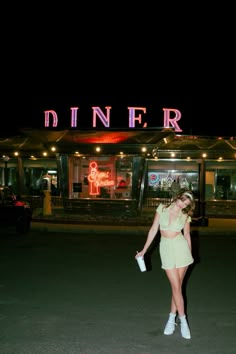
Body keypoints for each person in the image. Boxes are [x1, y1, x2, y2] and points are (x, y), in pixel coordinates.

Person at [135, 190, 195, 340]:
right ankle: (178, 320)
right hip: (166, 248)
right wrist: (144, 250)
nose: (182, 205)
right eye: (182, 200)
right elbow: (154, 229)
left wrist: (190, 255)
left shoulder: (185, 216)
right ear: (177, 197)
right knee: (176, 287)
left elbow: (187, 235)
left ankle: (174, 320)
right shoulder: (162, 208)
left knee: (177, 288)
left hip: (181, 249)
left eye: (186, 204)